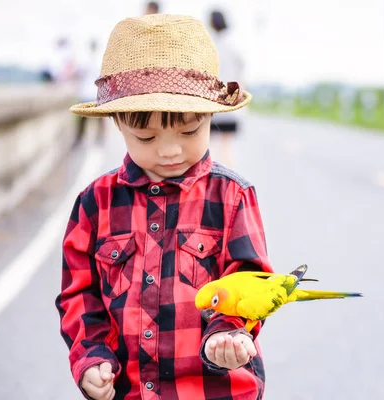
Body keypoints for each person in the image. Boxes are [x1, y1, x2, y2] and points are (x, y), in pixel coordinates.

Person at [55, 14, 272, 400]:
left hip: (216, 390)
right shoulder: (95, 203)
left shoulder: (232, 196)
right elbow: (79, 295)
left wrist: (227, 333)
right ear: (118, 123)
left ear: (210, 115)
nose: (170, 150)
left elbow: (249, 280)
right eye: (146, 136)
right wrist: (91, 358)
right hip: (130, 391)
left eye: (189, 131)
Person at [208, 10, 245, 168]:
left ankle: (211, 181)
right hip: (231, 104)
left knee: (209, 146)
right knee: (227, 147)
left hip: (212, 103)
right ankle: (228, 183)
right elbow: (241, 77)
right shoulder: (234, 47)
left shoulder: (209, 46)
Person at [76, 39, 106, 146]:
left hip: (87, 92)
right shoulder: (99, 61)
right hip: (94, 93)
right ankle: (99, 138)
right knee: (98, 119)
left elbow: (78, 74)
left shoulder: (86, 61)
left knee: (83, 119)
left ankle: (81, 138)